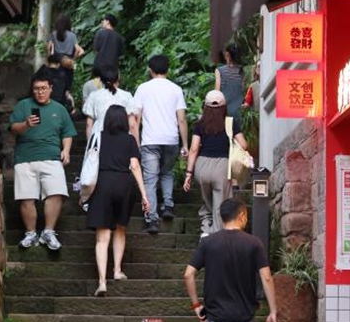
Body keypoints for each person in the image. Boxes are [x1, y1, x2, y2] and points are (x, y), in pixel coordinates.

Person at [8, 67, 77, 251]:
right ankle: (30, 233)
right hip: (25, 157)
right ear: (32, 89)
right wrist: (26, 124)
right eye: (36, 88)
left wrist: (67, 150)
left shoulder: (59, 109)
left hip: (52, 157)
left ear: (51, 88)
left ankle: (48, 232)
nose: (40, 92)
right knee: (26, 197)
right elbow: (13, 128)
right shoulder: (23, 105)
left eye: (43, 88)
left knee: (56, 193)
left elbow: (67, 133)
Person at [86, 105, 149, 297]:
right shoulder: (129, 140)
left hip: (102, 183)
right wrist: (144, 195)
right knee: (120, 227)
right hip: (124, 184)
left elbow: (90, 160)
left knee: (102, 237)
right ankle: (117, 270)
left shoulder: (98, 137)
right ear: (123, 120)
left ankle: (102, 282)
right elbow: (135, 166)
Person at [132, 54, 189, 234]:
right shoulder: (176, 89)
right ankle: (168, 205)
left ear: (150, 70)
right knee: (167, 172)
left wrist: (136, 141)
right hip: (171, 139)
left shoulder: (142, 89)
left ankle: (152, 219)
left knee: (150, 178)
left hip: (150, 139)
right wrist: (185, 144)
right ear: (168, 70)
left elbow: (136, 118)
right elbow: (181, 119)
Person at [183, 90, 250, 238]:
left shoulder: (199, 124)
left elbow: (194, 149)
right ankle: (216, 237)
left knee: (206, 202)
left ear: (205, 107)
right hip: (222, 167)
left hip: (202, 167)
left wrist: (189, 173)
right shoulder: (231, 123)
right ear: (224, 106)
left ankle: (206, 230)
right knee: (221, 204)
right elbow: (244, 145)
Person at [82, 65, 138, 142]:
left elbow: (89, 124)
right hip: (122, 139)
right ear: (118, 78)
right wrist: (136, 147)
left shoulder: (94, 96)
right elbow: (132, 124)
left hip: (99, 138)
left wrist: (90, 144)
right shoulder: (126, 96)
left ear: (101, 80)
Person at [47, 14, 84, 92]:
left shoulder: (53, 34)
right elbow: (79, 51)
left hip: (56, 61)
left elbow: (48, 48)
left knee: (55, 85)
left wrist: (50, 55)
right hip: (68, 63)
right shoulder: (72, 35)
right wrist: (73, 58)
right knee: (67, 88)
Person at [215, 43, 244, 125]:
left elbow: (217, 92)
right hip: (240, 111)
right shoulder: (242, 71)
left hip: (225, 111)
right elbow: (243, 89)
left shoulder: (220, 70)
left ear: (227, 55)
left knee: (227, 135)